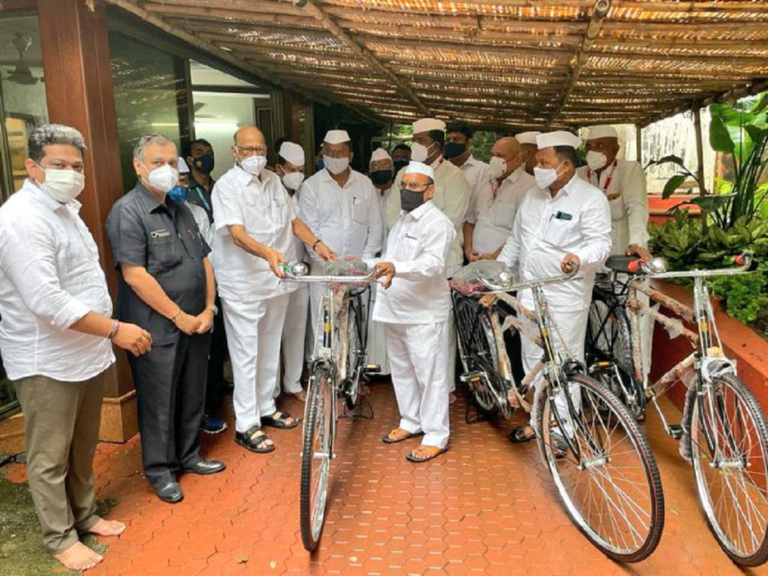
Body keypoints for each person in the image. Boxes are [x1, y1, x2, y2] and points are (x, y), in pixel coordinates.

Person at [0, 124, 149, 571]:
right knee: (50, 456)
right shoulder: (20, 218)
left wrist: (103, 335)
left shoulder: (66, 209)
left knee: (82, 446)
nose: (70, 173)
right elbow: (46, 300)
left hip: (84, 353)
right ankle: (59, 536)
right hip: (46, 358)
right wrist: (114, 329)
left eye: (76, 166)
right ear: (32, 167)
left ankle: (84, 515)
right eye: (58, 165)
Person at [107, 133, 225, 505]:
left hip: (196, 321)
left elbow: (204, 260)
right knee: (159, 400)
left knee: (193, 392)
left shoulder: (182, 208)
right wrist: (179, 316)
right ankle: (160, 470)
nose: (167, 170)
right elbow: (134, 275)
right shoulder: (128, 211)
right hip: (156, 328)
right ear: (138, 166)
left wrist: (208, 308)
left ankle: (189, 456)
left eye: (172, 163)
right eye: (158, 162)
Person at [212, 127, 335, 454]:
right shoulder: (227, 187)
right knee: (246, 353)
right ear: (235, 152)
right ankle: (246, 423)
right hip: (244, 283)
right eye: (248, 150)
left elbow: (293, 222)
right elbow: (236, 234)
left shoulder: (274, 181)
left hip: (277, 280)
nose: (255, 156)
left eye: (260, 149)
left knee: (269, 347)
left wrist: (318, 244)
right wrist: (268, 253)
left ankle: (266, 407)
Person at [497, 131, 611, 452]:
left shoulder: (590, 199)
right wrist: (500, 271)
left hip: (565, 296)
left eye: (544, 162)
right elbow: (517, 241)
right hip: (529, 293)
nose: (537, 167)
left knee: (563, 363)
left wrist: (580, 258)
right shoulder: (532, 196)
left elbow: (600, 244)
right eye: (537, 162)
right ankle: (538, 420)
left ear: (564, 165)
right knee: (533, 358)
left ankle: (563, 429)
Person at [373, 162, 455, 463]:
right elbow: (390, 258)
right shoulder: (403, 220)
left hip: (423, 312)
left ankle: (436, 435)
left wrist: (397, 267)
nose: (407, 191)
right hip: (396, 308)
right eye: (403, 185)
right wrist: (371, 262)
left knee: (430, 375)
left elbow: (433, 265)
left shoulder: (438, 223)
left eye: (414, 186)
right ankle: (411, 420)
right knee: (403, 369)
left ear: (430, 190)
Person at [385, 118, 471, 399]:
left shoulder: (453, 176)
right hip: (402, 269)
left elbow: (452, 219)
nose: (415, 146)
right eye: (414, 140)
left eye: (420, 140)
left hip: (442, 264)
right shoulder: (404, 175)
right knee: (407, 345)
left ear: (436, 144)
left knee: (437, 341)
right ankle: (413, 408)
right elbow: (393, 215)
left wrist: (412, 248)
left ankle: (442, 392)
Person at [298, 129, 382, 336]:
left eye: (339, 153)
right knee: (324, 333)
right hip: (325, 274)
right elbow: (310, 233)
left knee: (358, 331)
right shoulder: (310, 187)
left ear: (350, 155)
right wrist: (331, 267)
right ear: (322, 155)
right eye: (329, 152)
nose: (334, 157)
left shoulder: (365, 184)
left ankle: (355, 369)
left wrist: (363, 264)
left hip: (359, 274)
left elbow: (375, 226)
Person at [174, 158, 227, 434]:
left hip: (203, 297)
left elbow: (209, 255)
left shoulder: (197, 212)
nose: (181, 185)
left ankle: (206, 411)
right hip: (172, 303)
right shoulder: (143, 214)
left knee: (208, 357)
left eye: (184, 180)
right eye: (177, 179)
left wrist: (210, 301)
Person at [577, 125, 651, 260]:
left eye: (599, 146)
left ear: (615, 149)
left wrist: (636, 242)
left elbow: (637, 207)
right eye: (588, 146)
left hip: (621, 252)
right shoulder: (579, 174)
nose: (592, 151)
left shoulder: (629, 170)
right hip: (587, 254)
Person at [275, 140, 310, 401]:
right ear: (278, 168)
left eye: (301, 168)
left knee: (297, 328)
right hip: (274, 272)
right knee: (272, 332)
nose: (297, 174)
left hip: (303, 270)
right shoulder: (270, 191)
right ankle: (273, 388)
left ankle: (294, 381)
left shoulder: (303, 193)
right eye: (291, 168)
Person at [463, 136, 535, 262]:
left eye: (501, 156)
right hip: (475, 262)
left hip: (506, 266)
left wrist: (494, 257)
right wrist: (468, 250)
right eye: (493, 155)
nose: (495, 160)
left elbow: (523, 233)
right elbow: (470, 222)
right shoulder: (484, 181)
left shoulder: (530, 187)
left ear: (518, 158)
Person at [367, 147, 395, 376]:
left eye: (385, 166)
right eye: (376, 167)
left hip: (394, 267)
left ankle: (390, 369)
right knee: (370, 318)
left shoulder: (399, 193)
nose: (381, 170)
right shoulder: (366, 192)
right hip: (371, 262)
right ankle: (371, 366)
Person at [445, 121, 489, 208]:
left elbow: (484, 202)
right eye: (448, 140)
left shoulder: (483, 170)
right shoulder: (440, 168)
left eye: (456, 139)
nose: (451, 143)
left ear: (469, 142)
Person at [185, 138, 216, 223]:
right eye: (199, 153)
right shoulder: (185, 189)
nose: (206, 157)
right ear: (190, 160)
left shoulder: (220, 187)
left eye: (209, 153)